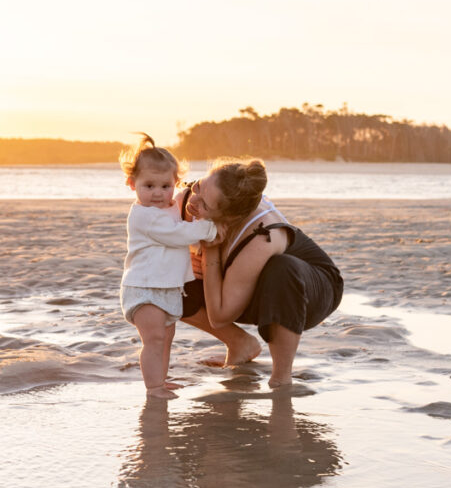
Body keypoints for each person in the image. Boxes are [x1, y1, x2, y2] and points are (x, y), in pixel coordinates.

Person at [178, 158, 342, 388]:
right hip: (247, 288)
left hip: (312, 292)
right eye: (197, 186)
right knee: (163, 276)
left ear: (231, 217)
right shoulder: (188, 198)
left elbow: (220, 315)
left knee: (281, 269)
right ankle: (239, 343)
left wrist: (211, 249)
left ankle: (281, 377)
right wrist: (182, 261)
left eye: (204, 205)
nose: (193, 200)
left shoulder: (261, 236)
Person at [120, 135, 218, 399]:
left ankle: (160, 380)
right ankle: (153, 388)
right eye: (148, 185)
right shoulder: (145, 216)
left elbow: (185, 204)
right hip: (144, 288)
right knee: (153, 340)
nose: (157, 193)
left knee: (165, 339)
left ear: (174, 184)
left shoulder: (170, 206)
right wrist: (210, 228)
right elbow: (177, 234)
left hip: (168, 288)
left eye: (165, 186)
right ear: (132, 184)